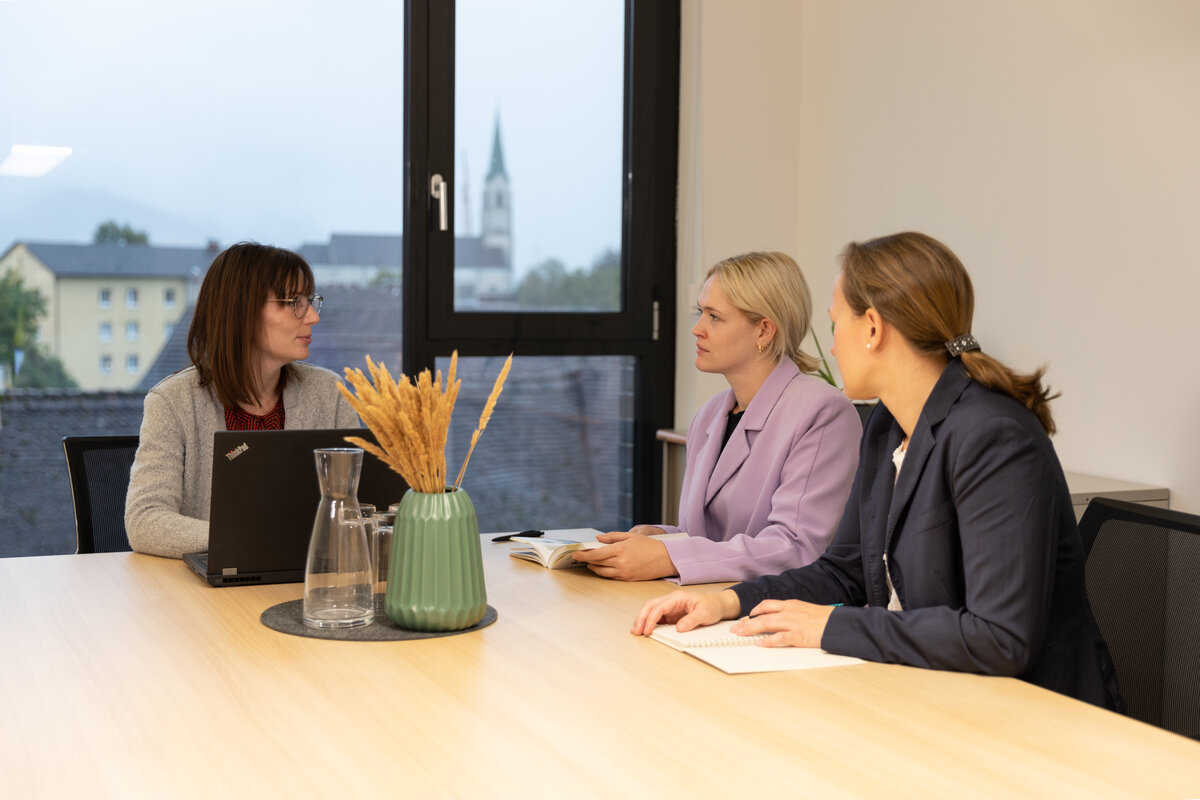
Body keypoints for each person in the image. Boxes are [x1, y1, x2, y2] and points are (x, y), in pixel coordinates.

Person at [632, 232, 1121, 709]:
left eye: (835, 324)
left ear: (873, 328)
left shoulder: (994, 436)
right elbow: (840, 571)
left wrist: (829, 627)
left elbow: (999, 637)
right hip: (930, 693)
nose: (832, 344)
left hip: (1035, 716)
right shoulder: (887, 424)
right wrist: (730, 602)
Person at [573, 251, 861, 584]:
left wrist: (669, 556)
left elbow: (796, 549)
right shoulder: (709, 415)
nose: (697, 329)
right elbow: (711, 537)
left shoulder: (822, 412)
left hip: (770, 614)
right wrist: (662, 538)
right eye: (701, 313)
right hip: (705, 604)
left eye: (714, 317)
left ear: (764, 331)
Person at [125, 242, 359, 558]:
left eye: (311, 301)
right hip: (209, 595)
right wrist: (247, 538)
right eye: (294, 302)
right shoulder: (172, 402)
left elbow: (354, 508)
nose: (313, 317)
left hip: (304, 584)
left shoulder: (330, 394)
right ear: (242, 311)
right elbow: (145, 520)